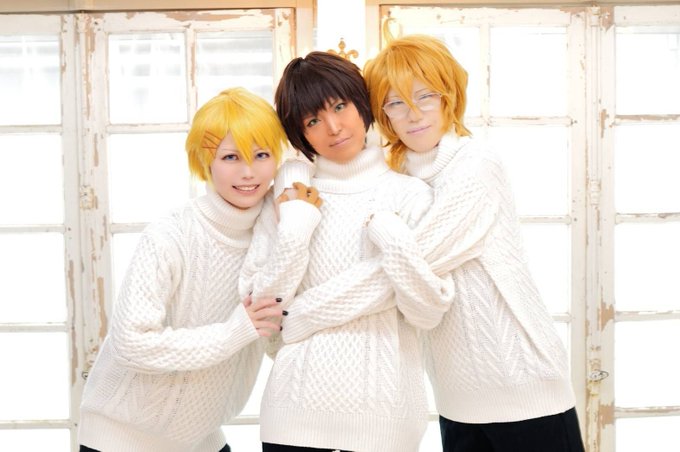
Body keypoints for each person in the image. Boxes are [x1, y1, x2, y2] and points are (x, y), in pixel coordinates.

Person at [362, 34, 585, 452]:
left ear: (449, 94)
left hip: (526, 386)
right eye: (395, 103)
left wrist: (383, 230)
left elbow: (414, 264)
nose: (413, 114)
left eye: (425, 96)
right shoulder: (394, 179)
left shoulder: (476, 164)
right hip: (456, 397)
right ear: (382, 113)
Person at [239, 51, 456, 452]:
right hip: (291, 420)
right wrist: (296, 229)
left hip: (385, 422)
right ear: (300, 134)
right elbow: (265, 314)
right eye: (313, 121)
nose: (333, 127)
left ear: (362, 104)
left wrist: (393, 240)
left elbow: (427, 311)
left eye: (340, 106)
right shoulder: (289, 199)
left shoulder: (410, 195)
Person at [78, 87, 290, 452]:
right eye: (230, 157)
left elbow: (277, 336)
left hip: (201, 438)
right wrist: (233, 332)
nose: (248, 172)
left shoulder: (274, 236)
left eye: (261, 155)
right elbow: (131, 342)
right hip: (122, 438)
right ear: (205, 161)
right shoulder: (170, 235)